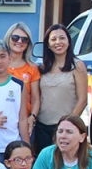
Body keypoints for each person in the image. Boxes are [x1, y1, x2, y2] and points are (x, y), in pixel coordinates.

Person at [0, 24, 41, 142]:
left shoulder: (32, 68)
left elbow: (35, 98)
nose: (20, 41)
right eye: (15, 37)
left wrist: (32, 118)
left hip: (23, 124)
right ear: (8, 38)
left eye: (24, 39)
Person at [36, 24, 87, 152]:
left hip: (65, 129)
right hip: (42, 127)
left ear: (69, 42)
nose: (58, 42)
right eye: (53, 39)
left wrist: (67, 125)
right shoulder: (42, 68)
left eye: (62, 38)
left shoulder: (77, 66)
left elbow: (83, 100)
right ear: (47, 44)